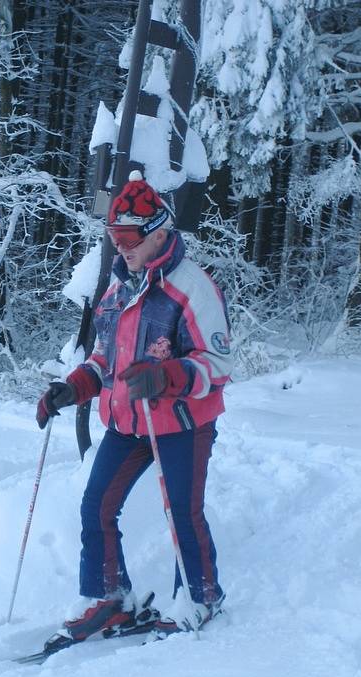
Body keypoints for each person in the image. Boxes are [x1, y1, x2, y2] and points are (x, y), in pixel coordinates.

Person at [36, 171, 232, 641]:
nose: (120, 247)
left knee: (182, 512)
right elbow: (105, 357)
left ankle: (201, 598)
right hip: (128, 422)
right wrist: (74, 387)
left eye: (127, 238)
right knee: (96, 506)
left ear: (159, 233)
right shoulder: (121, 287)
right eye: (113, 237)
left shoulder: (193, 288)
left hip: (182, 422)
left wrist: (166, 376)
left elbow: (218, 363)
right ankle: (111, 597)